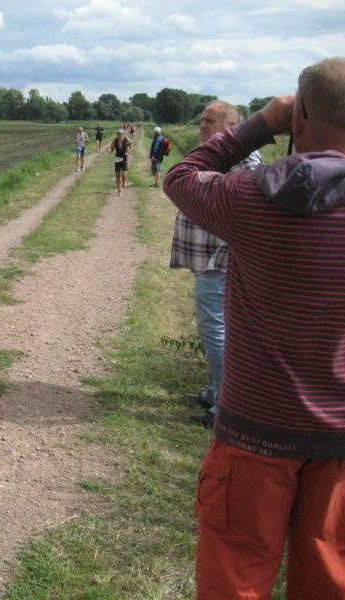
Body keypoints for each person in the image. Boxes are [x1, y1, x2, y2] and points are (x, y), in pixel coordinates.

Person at [164, 57, 345, 599]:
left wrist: (260, 124)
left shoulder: (251, 196)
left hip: (253, 431)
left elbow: (180, 177)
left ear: (298, 118)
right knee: (330, 579)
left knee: (235, 577)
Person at [170, 101, 262, 426]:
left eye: (210, 121)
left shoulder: (245, 162)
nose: (202, 126)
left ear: (232, 126)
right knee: (216, 328)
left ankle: (224, 405)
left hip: (223, 261)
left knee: (215, 330)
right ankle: (214, 392)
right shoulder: (224, 156)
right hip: (214, 259)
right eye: (202, 120)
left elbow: (245, 217)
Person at [108, 128, 130, 195]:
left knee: (124, 174)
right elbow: (111, 150)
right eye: (118, 134)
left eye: (120, 134)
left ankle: (123, 182)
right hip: (117, 158)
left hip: (124, 158)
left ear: (123, 134)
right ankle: (119, 190)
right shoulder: (114, 140)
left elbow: (132, 147)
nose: (119, 135)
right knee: (118, 175)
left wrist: (129, 152)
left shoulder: (126, 139)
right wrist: (109, 150)